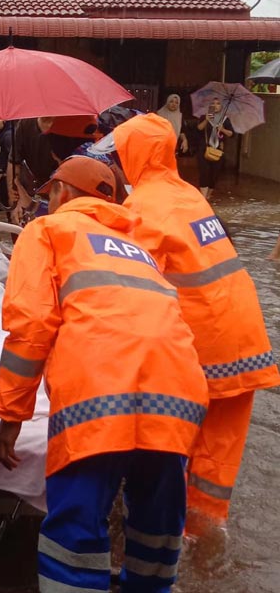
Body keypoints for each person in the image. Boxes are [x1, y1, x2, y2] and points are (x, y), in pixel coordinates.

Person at [0, 155, 208, 593]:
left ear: (63, 193)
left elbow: (31, 325)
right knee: (158, 523)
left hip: (97, 396)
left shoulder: (49, 230)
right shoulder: (140, 248)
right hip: (179, 396)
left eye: (49, 195)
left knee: (78, 524)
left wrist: (11, 413)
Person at [111, 112, 280, 534]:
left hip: (204, 348)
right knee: (217, 461)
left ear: (132, 154)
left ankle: (168, 543)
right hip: (247, 343)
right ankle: (208, 543)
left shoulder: (142, 206)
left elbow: (131, 289)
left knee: (167, 450)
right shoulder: (187, 193)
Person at [196, 97, 234, 199]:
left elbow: (231, 133)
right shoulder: (204, 116)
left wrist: (223, 129)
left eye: (218, 103)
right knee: (204, 172)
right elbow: (199, 128)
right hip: (204, 149)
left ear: (221, 107)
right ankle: (203, 197)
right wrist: (206, 120)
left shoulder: (225, 119)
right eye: (213, 103)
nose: (215, 105)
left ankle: (208, 195)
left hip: (218, 150)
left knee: (214, 174)